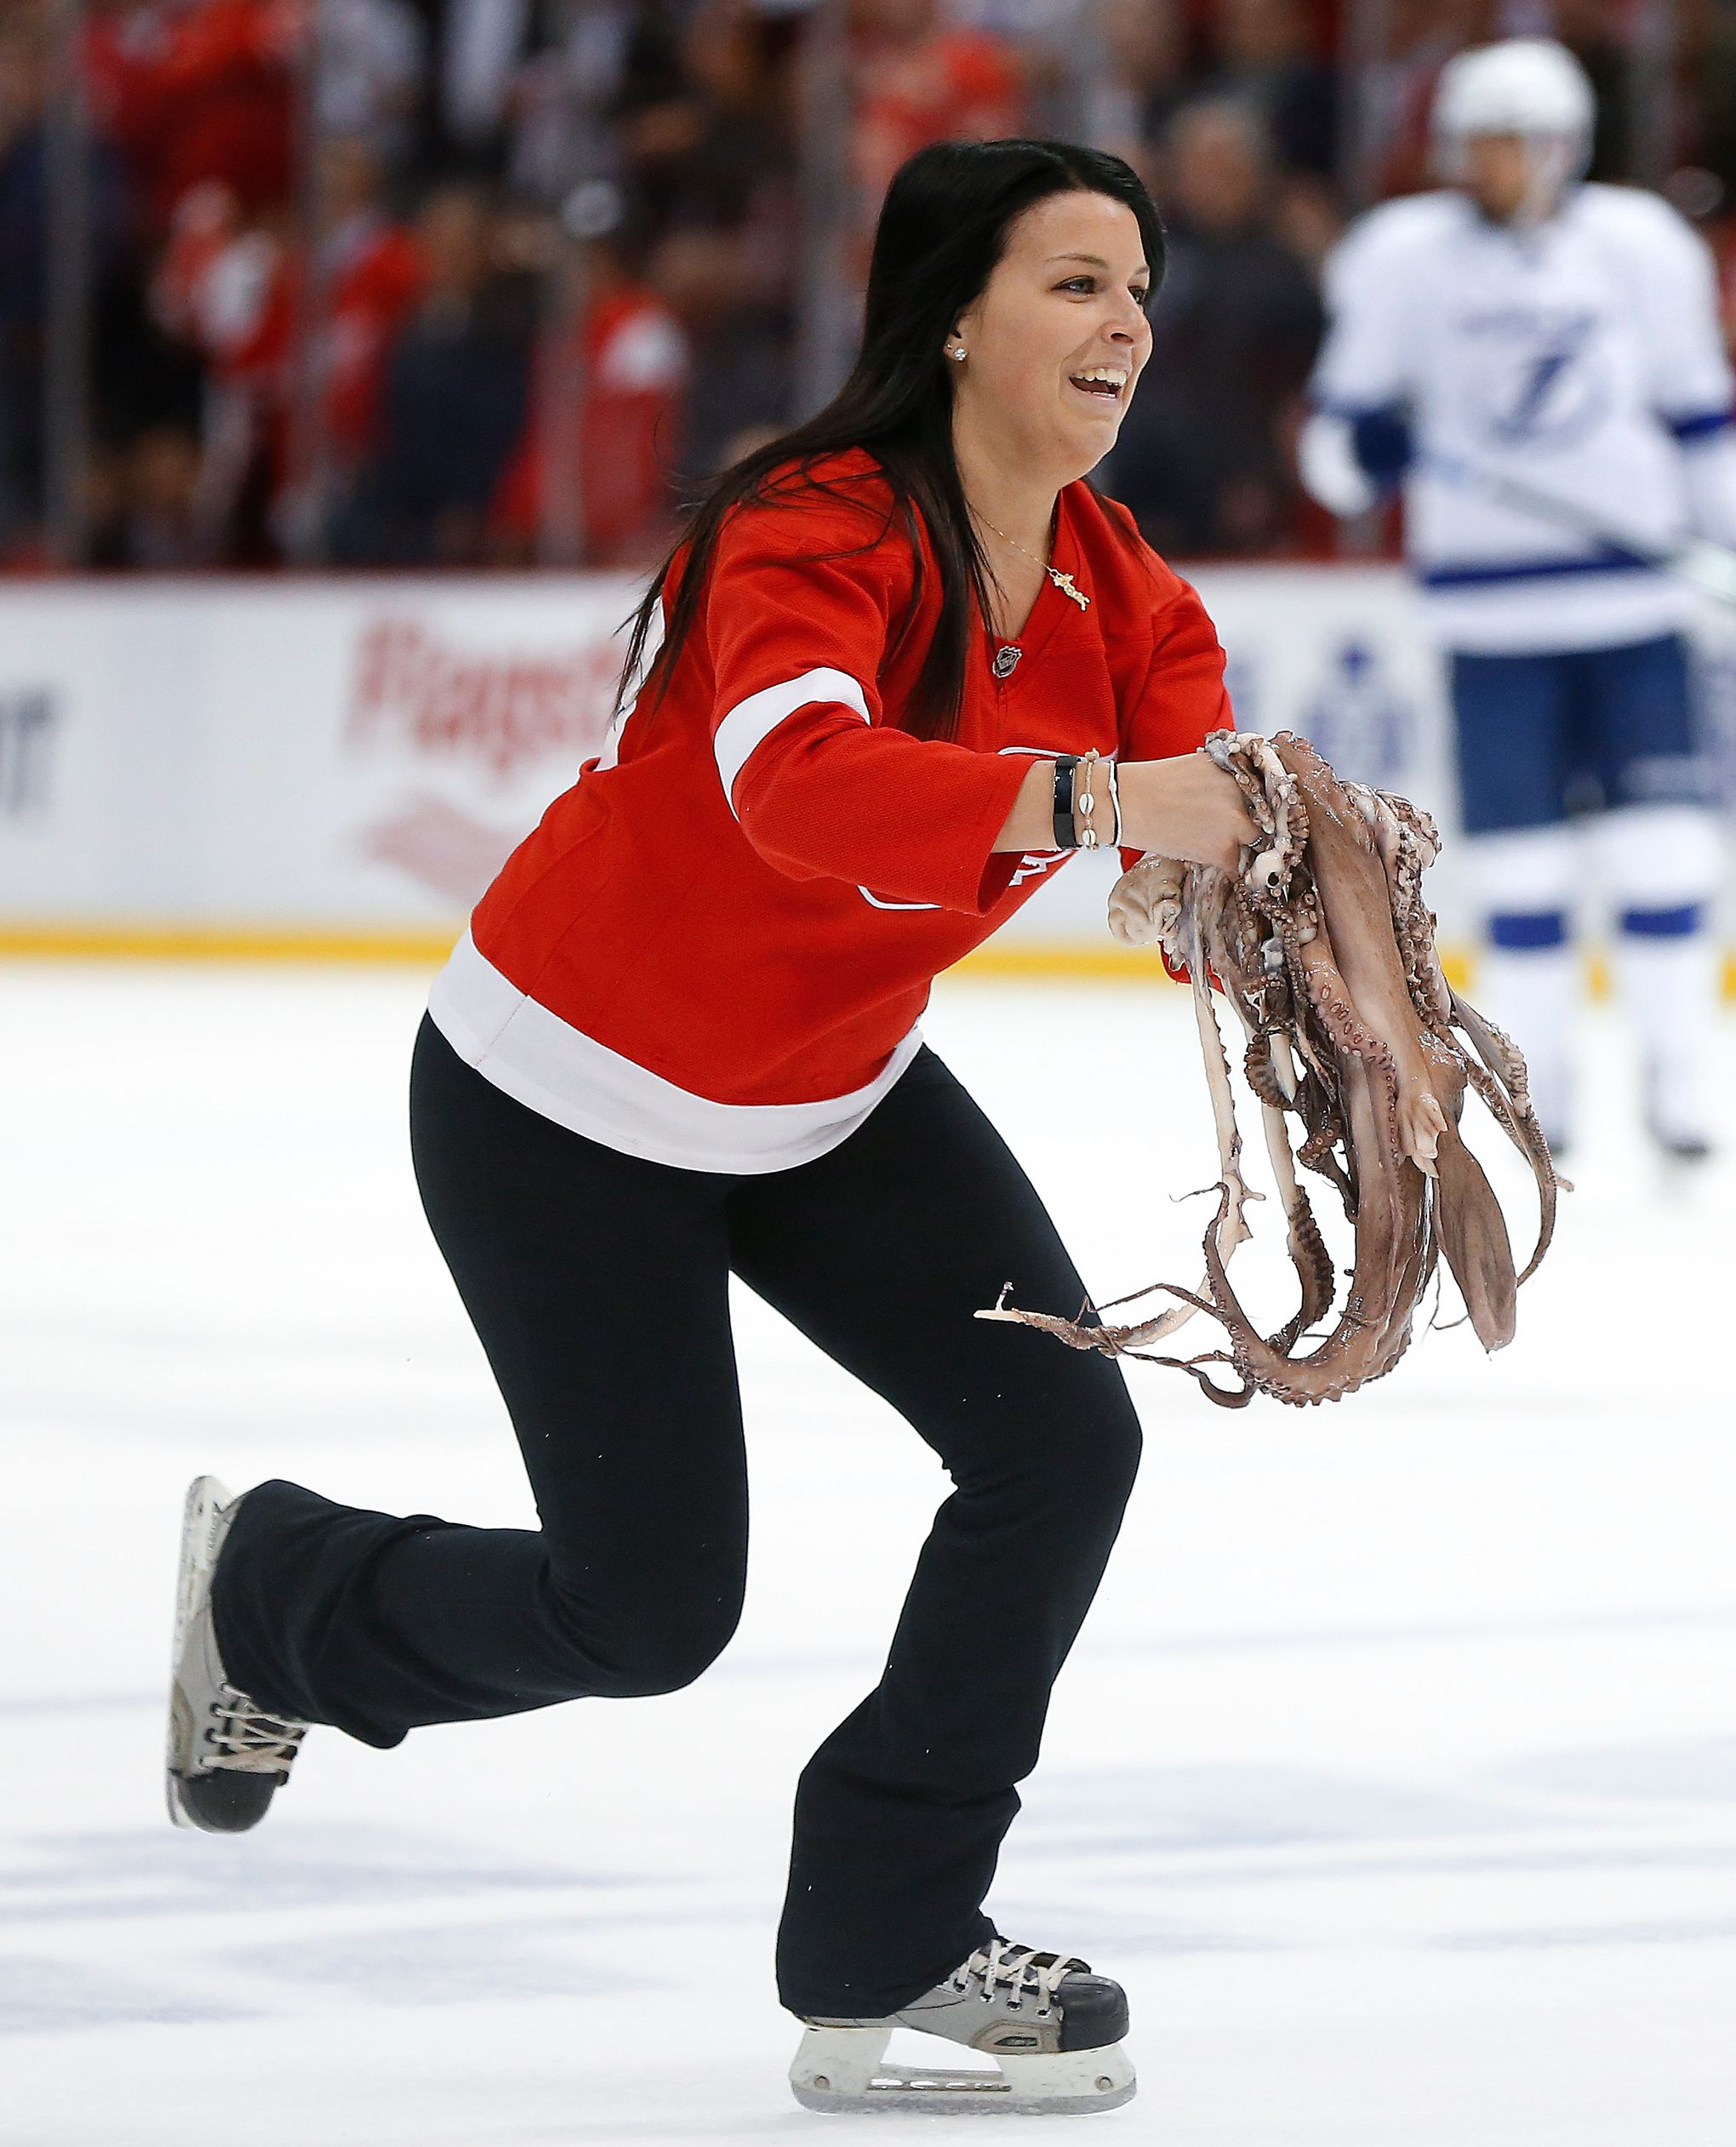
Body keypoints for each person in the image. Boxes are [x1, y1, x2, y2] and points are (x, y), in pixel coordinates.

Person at [163, 136, 1255, 2116]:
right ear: (953, 319)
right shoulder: (814, 524)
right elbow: (802, 787)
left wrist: (1270, 906)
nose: (1128, 324)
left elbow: (1188, 845)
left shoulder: (1126, 593)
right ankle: (280, 1592)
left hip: (830, 1101)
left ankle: (889, 1932)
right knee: (647, 1612)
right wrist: (1101, 806)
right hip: (558, 1099)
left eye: (1141, 286)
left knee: (1060, 1437)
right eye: (1079, 281)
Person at [1299, 37, 1736, 1163]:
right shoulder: (1403, 259)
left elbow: (1698, 419)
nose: (1492, 164)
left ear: (1563, 145)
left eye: (1513, 141)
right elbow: (1332, 452)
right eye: (1477, 142)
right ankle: (1549, 1103)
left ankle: (1680, 1087)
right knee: (1524, 873)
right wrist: (1370, 447)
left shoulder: (1640, 246)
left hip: (1634, 609)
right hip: (1489, 622)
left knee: (1666, 855)